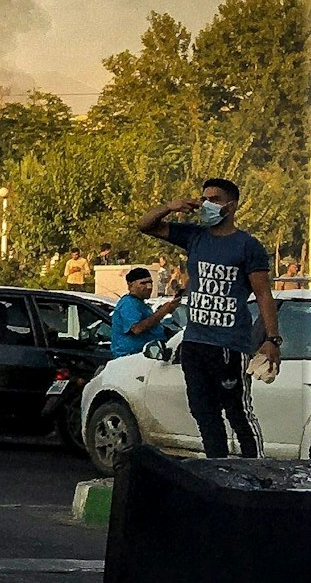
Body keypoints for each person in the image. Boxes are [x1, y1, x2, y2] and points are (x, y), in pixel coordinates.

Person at [137, 177, 282, 458]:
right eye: (203, 199)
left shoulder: (247, 246)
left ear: (232, 205)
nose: (206, 204)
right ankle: (217, 467)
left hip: (229, 345)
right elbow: (145, 225)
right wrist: (171, 206)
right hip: (195, 343)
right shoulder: (194, 236)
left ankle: (256, 470)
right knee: (204, 412)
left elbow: (264, 295)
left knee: (237, 412)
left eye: (214, 199)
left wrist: (271, 340)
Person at [110, 266, 179, 358]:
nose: (149, 287)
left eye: (150, 283)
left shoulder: (141, 304)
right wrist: (162, 312)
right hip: (131, 358)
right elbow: (137, 329)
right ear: (131, 285)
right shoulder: (128, 303)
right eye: (143, 283)